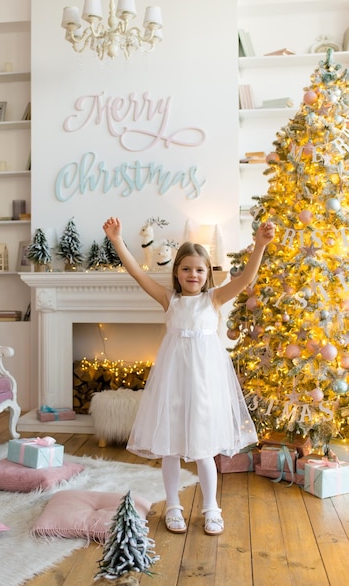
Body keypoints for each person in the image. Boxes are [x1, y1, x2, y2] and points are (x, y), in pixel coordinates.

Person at [102, 216, 275, 536]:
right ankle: (173, 506)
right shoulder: (170, 299)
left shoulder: (215, 299)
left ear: (208, 273)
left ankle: (211, 508)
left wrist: (260, 245)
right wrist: (117, 241)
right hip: (173, 386)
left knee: (204, 450)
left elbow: (247, 276)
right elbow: (138, 273)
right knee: (170, 448)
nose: (192, 274)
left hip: (205, 387)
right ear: (176, 273)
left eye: (199, 269)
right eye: (186, 269)